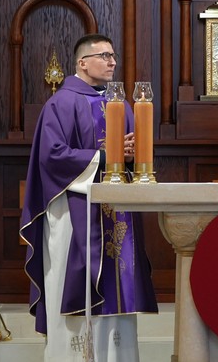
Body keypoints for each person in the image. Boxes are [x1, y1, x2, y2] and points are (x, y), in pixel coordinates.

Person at [20, 33, 158, 362]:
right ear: (82, 63)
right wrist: (107, 156)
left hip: (116, 210)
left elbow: (131, 155)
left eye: (113, 56)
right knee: (73, 284)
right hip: (74, 213)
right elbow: (52, 156)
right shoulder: (61, 103)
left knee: (118, 287)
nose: (112, 62)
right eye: (104, 56)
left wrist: (130, 158)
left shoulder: (121, 104)